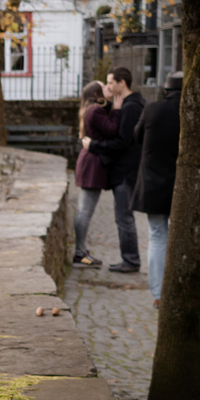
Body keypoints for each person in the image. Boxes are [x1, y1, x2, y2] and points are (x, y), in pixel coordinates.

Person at [82, 66, 146, 273]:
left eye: (110, 82)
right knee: (123, 217)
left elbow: (122, 142)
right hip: (125, 171)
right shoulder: (130, 104)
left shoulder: (131, 107)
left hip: (126, 172)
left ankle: (131, 261)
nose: (107, 86)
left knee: (124, 218)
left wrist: (93, 146)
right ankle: (129, 259)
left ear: (122, 83)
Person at [131, 71, 182, 306]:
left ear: (165, 91)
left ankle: (159, 293)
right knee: (180, 237)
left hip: (153, 183)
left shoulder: (152, 109)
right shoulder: (191, 113)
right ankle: (180, 287)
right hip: (181, 186)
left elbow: (137, 135)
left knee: (157, 235)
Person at [73, 80, 120, 266]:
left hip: (90, 163)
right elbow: (112, 130)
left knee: (84, 211)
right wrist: (116, 110)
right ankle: (79, 254)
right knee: (85, 211)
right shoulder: (95, 110)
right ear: (96, 93)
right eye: (105, 86)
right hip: (91, 165)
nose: (109, 88)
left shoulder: (93, 109)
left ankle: (81, 251)